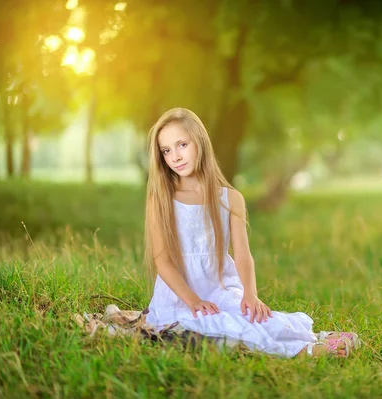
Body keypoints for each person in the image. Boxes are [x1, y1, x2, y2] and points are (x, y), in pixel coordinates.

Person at [144, 108, 359, 358]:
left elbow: (243, 255)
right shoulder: (161, 199)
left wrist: (250, 294)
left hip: (221, 287)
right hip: (180, 296)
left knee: (254, 317)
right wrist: (193, 300)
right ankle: (306, 352)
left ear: (200, 142)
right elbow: (163, 261)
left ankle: (314, 337)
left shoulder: (230, 198)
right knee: (221, 329)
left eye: (182, 145)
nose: (175, 156)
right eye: (166, 150)